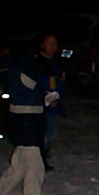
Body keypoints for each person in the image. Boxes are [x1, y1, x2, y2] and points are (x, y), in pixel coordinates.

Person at [0, 47, 52, 195]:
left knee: (19, 166)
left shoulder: (12, 73)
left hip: (20, 122)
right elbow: (31, 89)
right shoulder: (25, 73)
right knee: (35, 168)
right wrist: (45, 98)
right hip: (28, 123)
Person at [36, 33, 66, 170]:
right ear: (42, 45)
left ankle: (42, 157)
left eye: (55, 43)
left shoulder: (56, 63)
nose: (53, 47)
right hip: (42, 105)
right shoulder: (38, 63)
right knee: (47, 131)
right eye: (49, 43)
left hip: (53, 104)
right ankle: (40, 159)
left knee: (52, 131)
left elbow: (59, 83)